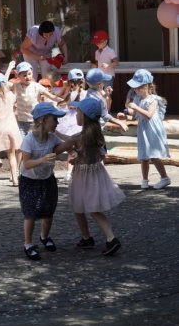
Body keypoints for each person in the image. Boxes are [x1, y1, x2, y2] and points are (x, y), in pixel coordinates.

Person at [68, 98, 124, 255]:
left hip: (83, 176)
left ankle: (111, 239)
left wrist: (51, 133)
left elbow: (62, 145)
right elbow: (100, 156)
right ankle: (86, 238)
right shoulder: (96, 134)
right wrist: (80, 158)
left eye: (78, 112)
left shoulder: (78, 137)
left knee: (90, 208)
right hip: (96, 173)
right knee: (80, 207)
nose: (76, 114)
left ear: (84, 115)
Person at [19, 102, 70, 261]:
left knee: (48, 211)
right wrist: (42, 159)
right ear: (43, 120)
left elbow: (68, 143)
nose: (57, 122)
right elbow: (26, 164)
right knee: (30, 213)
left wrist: (73, 148)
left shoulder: (52, 138)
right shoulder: (29, 140)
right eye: (54, 119)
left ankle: (44, 237)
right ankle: (28, 244)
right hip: (29, 180)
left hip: (47, 179)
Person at [126, 69, 171, 189]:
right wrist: (126, 116)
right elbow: (135, 116)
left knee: (154, 154)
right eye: (134, 88)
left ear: (146, 86)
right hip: (143, 129)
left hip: (153, 129)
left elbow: (149, 115)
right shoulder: (137, 99)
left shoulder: (153, 99)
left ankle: (165, 178)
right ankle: (145, 180)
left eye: (137, 87)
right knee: (144, 155)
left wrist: (136, 107)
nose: (135, 90)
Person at [56, 68, 87, 183]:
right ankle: (71, 172)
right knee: (76, 148)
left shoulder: (73, 94)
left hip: (76, 122)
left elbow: (67, 104)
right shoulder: (80, 94)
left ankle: (71, 172)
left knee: (74, 148)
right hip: (75, 122)